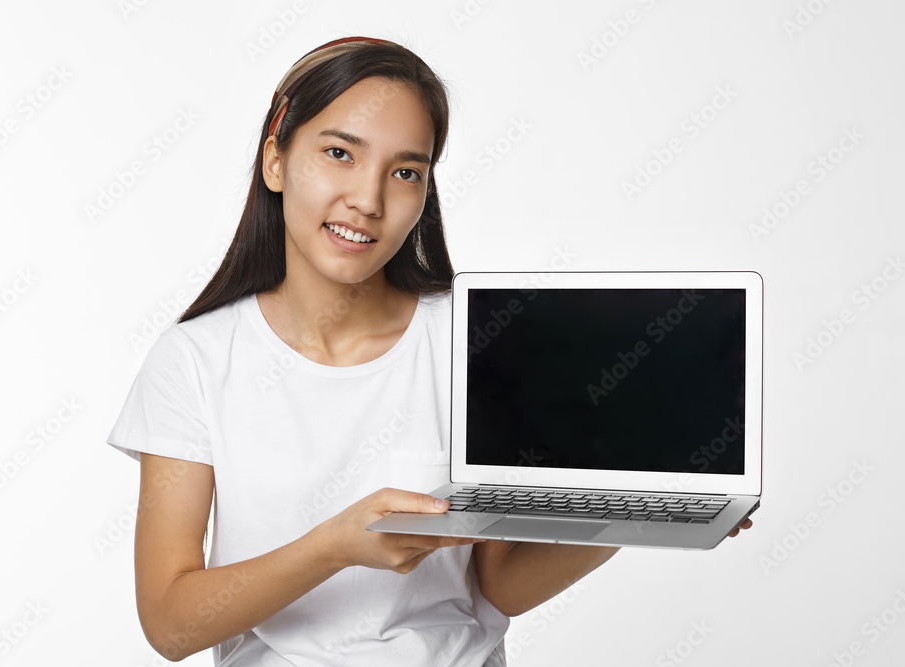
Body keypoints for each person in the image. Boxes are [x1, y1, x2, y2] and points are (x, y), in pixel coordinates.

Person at [107, 36, 749, 666]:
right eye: (339, 153)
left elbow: (500, 586)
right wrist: (335, 547)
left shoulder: (474, 340)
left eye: (406, 171)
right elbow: (170, 625)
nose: (368, 199)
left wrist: (636, 515)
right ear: (275, 159)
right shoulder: (193, 361)